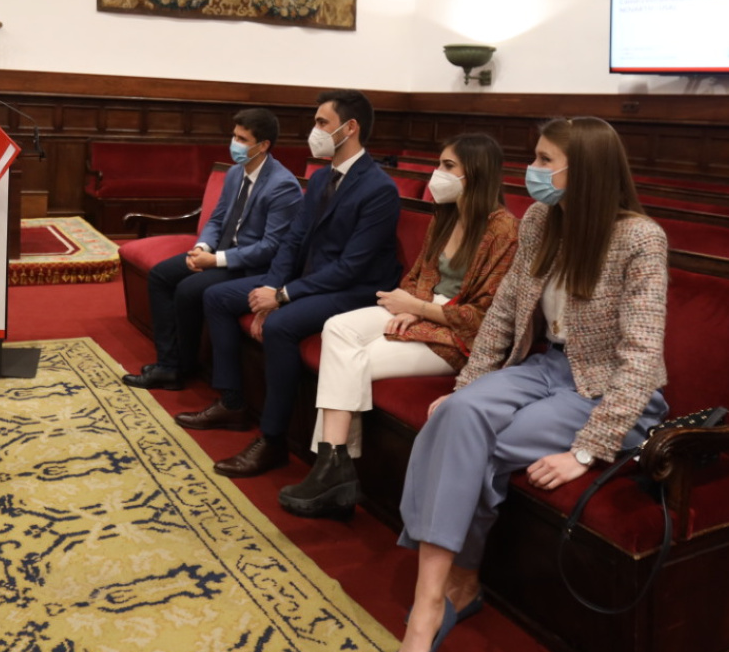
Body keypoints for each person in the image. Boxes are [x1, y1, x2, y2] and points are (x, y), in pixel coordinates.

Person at [388, 117, 669, 652]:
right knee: (456, 416)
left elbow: (641, 355)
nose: (532, 172)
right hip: (546, 367)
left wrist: (589, 449)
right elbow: (503, 315)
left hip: (606, 388)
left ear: (583, 170)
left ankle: (454, 591)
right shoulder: (541, 219)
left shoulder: (639, 237)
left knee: (481, 444)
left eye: (544, 160)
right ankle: (434, 600)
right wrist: (467, 386)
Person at [278, 133, 518, 517]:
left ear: (475, 173)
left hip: (456, 334)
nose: (437, 174)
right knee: (337, 329)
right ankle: (335, 466)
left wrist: (422, 309)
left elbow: (489, 318)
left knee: (349, 363)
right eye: (438, 163)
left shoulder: (504, 230)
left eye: (448, 166)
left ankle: (332, 472)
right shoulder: (446, 214)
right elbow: (418, 276)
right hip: (421, 309)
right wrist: (413, 305)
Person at [177, 89, 402, 479]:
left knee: (280, 325)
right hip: (311, 279)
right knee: (217, 296)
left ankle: (273, 440)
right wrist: (274, 286)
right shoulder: (319, 180)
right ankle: (232, 401)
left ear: (350, 129)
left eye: (321, 123)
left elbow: (350, 267)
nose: (313, 131)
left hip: (355, 290)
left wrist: (281, 297)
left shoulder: (379, 189)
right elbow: (293, 242)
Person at [123, 108, 302, 391]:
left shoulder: (283, 186)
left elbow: (269, 247)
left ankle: (179, 367)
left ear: (264, 145)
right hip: (217, 252)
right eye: (234, 136)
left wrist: (214, 259)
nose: (235, 144)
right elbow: (217, 218)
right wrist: (201, 248)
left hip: (248, 266)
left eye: (242, 139)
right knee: (160, 275)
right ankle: (171, 362)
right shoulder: (234, 173)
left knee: (188, 289)